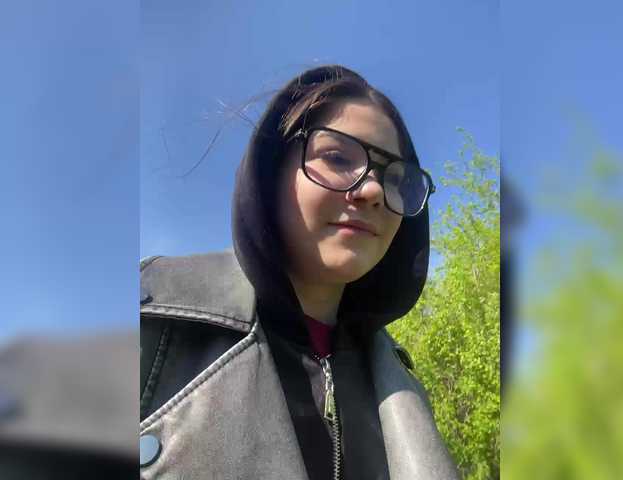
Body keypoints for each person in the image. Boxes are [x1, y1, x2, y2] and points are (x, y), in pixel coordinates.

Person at [139, 65, 459, 480]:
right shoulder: (150, 317)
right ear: (270, 171)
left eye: (395, 178)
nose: (374, 190)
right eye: (337, 157)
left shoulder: (402, 383)